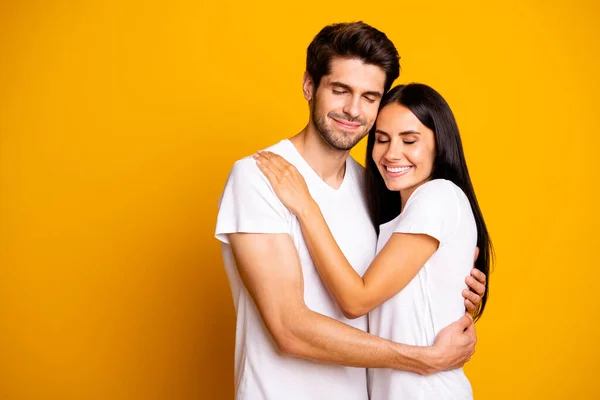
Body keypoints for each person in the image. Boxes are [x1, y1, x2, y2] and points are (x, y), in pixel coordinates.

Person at [215, 22, 487, 400]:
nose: (353, 110)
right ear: (310, 86)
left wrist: (452, 287)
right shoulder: (262, 176)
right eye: (340, 90)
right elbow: (289, 329)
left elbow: (385, 290)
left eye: (370, 96)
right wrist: (424, 358)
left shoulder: (376, 187)